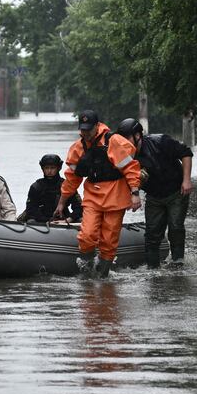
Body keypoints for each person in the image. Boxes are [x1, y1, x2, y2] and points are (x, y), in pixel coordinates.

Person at [54, 110, 141, 277]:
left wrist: (135, 193)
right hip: (93, 197)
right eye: (82, 129)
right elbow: (72, 178)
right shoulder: (78, 148)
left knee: (108, 242)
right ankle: (87, 273)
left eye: (88, 129)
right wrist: (62, 202)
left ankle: (102, 276)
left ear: (97, 126)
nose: (85, 133)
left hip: (116, 198)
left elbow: (131, 169)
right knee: (87, 236)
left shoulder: (113, 142)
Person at [116, 118, 193, 267]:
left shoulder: (160, 141)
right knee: (152, 234)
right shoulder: (124, 156)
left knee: (175, 227)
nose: (123, 143)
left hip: (176, 192)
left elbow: (186, 153)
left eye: (126, 138)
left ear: (137, 136)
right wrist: (131, 196)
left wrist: (187, 180)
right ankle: (153, 269)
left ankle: (178, 264)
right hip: (153, 196)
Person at [23, 154, 83, 223]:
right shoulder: (36, 187)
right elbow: (31, 209)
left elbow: (79, 207)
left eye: (52, 168)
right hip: (41, 220)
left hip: (63, 219)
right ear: (43, 169)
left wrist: (69, 219)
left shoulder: (67, 186)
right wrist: (48, 221)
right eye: (46, 168)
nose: (49, 171)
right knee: (31, 221)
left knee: (81, 219)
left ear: (58, 168)